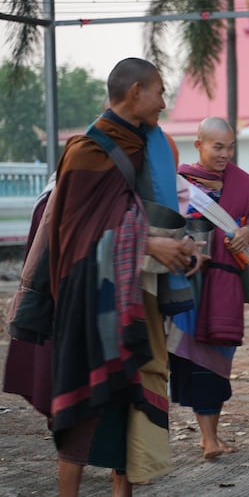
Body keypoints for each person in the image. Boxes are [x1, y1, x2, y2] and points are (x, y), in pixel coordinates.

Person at [6, 58, 200, 496]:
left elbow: (137, 210)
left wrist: (177, 244)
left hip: (131, 292)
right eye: (159, 92)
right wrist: (150, 243)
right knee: (81, 405)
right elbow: (79, 231)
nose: (163, 103)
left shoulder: (142, 144)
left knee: (127, 400)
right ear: (134, 92)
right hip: (85, 297)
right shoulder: (87, 150)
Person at [168, 117, 249, 460]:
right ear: (199, 145)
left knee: (221, 355)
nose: (225, 153)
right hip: (190, 282)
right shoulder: (180, 182)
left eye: (230, 146)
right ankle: (207, 438)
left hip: (227, 281)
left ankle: (214, 436)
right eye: (218, 146)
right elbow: (167, 223)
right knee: (195, 357)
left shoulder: (243, 183)